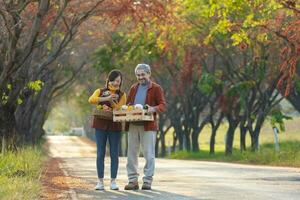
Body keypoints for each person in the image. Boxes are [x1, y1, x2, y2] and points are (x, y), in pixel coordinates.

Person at [124, 63, 166, 190]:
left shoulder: (156, 88)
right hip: (133, 124)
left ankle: (147, 181)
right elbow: (128, 104)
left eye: (143, 74)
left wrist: (153, 108)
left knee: (148, 154)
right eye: (138, 75)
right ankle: (133, 181)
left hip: (148, 125)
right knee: (131, 153)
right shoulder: (133, 88)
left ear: (149, 74)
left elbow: (163, 105)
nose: (140, 77)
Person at [88, 70, 127, 190]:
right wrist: (106, 98)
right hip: (100, 125)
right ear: (109, 80)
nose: (116, 83)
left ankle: (113, 181)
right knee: (100, 153)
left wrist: (112, 102)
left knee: (114, 154)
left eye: (118, 81)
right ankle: (100, 182)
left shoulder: (122, 94)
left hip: (115, 126)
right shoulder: (100, 91)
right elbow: (91, 100)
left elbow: (120, 109)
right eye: (114, 80)